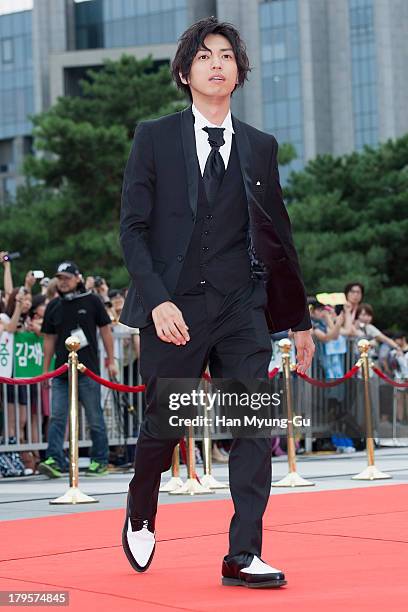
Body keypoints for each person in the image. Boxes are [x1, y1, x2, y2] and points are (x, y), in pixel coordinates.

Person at [119, 17, 314, 588]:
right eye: (204, 56)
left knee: (253, 426)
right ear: (185, 73)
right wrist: (156, 301)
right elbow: (132, 229)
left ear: (239, 72)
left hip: (242, 306)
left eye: (226, 55)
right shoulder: (153, 137)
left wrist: (296, 320)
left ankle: (243, 553)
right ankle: (140, 504)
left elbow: (278, 234)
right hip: (174, 307)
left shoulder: (260, 146)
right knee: (165, 424)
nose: (217, 63)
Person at [38, 261, 118, 478]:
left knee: (94, 416)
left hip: (87, 370)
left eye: (67, 278)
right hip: (61, 372)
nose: (63, 282)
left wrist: (111, 361)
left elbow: (106, 332)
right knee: (57, 417)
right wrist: (46, 370)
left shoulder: (92, 300)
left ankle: (100, 460)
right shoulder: (53, 305)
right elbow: (49, 340)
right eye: (60, 278)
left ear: (77, 278)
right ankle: (54, 459)